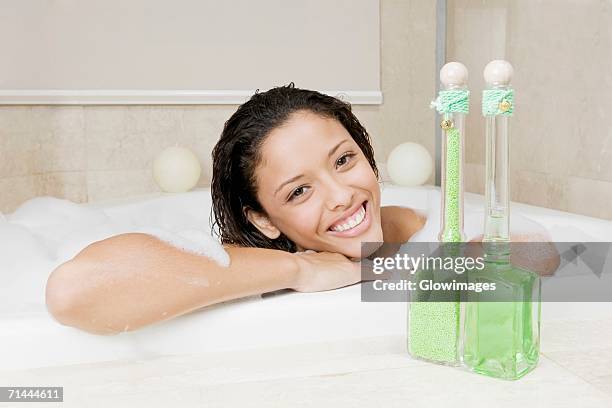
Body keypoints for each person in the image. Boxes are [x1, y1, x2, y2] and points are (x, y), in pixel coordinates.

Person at [45, 84, 426, 335]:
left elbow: (478, 274)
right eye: (299, 191)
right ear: (261, 219)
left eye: (343, 160)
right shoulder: (248, 264)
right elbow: (72, 292)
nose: (341, 195)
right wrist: (301, 269)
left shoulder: (404, 226)